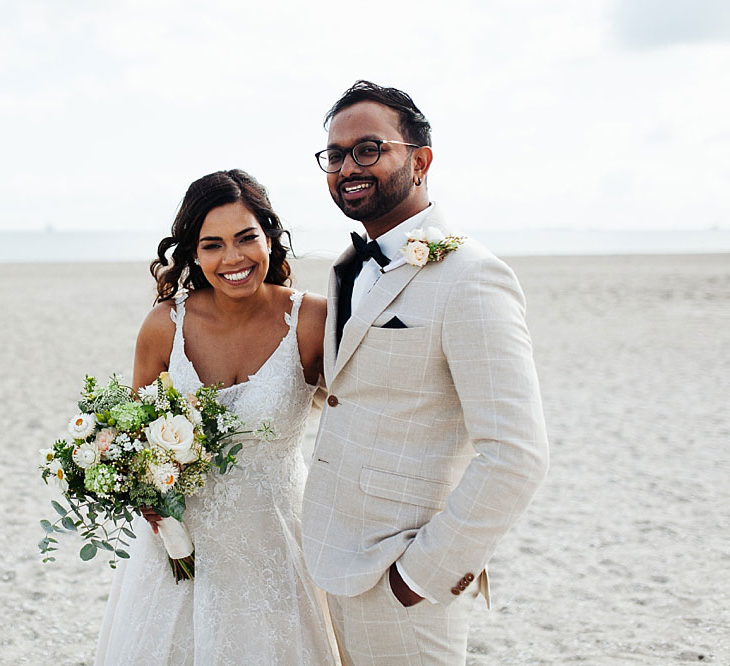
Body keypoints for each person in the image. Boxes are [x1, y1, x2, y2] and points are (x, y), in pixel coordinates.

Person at [301, 80, 550, 665]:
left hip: (400, 577)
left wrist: (420, 577)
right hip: (326, 558)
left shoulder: (473, 277)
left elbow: (517, 453)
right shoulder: (345, 269)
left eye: (367, 149)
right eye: (334, 155)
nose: (347, 167)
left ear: (421, 160)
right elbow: (346, 393)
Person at [95, 169, 338, 665]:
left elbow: (362, 415)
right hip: (182, 546)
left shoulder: (313, 320)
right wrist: (137, 486)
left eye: (247, 237)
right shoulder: (165, 325)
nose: (233, 258)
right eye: (213, 244)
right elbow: (130, 429)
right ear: (193, 252)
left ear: (270, 238)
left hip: (277, 538)